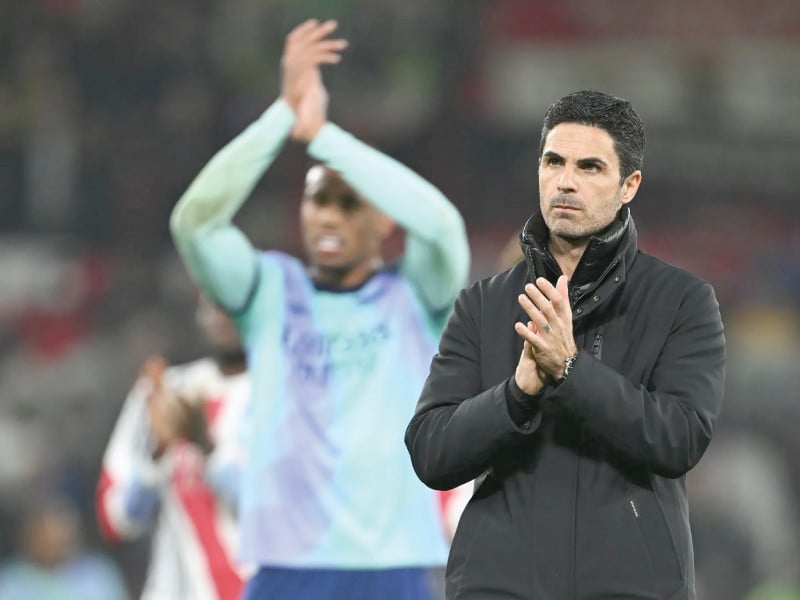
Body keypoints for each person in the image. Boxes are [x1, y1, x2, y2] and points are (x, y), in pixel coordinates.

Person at [169, 18, 470, 600]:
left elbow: (441, 225)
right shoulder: (268, 291)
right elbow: (193, 223)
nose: (328, 216)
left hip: (394, 567)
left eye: (346, 203)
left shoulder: (415, 296)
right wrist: (284, 114)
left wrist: (326, 138)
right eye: (317, 201)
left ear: (383, 219)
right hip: (286, 566)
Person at [405, 90, 726, 599]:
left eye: (591, 167)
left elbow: (680, 439)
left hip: (631, 587)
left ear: (629, 185)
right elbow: (431, 451)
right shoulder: (483, 304)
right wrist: (516, 394)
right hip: (500, 586)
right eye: (553, 161)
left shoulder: (682, 301)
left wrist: (572, 371)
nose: (566, 181)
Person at [96, 294, 250, 600]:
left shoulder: (293, 395)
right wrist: (157, 455)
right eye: (214, 304)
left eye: (236, 305)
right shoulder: (162, 391)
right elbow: (116, 520)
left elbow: (291, 516)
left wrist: (207, 448)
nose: (223, 317)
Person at [0, 494, 129, 600]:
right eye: (45, 532)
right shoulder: (10, 582)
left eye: (61, 528)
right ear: (29, 535)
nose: (55, 539)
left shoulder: (99, 573)